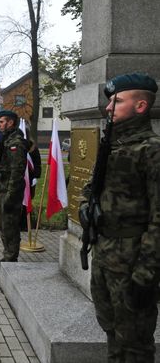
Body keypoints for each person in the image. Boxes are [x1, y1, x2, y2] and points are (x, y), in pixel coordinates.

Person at [80, 73, 160, 362]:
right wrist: (85, 206)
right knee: (113, 330)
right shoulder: (113, 144)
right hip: (105, 254)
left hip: (133, 261)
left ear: (140, 106)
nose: (108, 107)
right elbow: (93, 186)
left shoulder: (151, 150)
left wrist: (146, 275)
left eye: (117, 101)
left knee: (136, 343)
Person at [0, 110, 27, 275]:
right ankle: (7, 256)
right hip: (1, 188)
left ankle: (11, 260)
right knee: (3, 225)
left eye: (2, 122)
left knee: (10, 226)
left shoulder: (16, 142)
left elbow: (17, 171)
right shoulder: (6, 139)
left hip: (10, 191)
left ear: (11, 122)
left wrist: (11, 195)